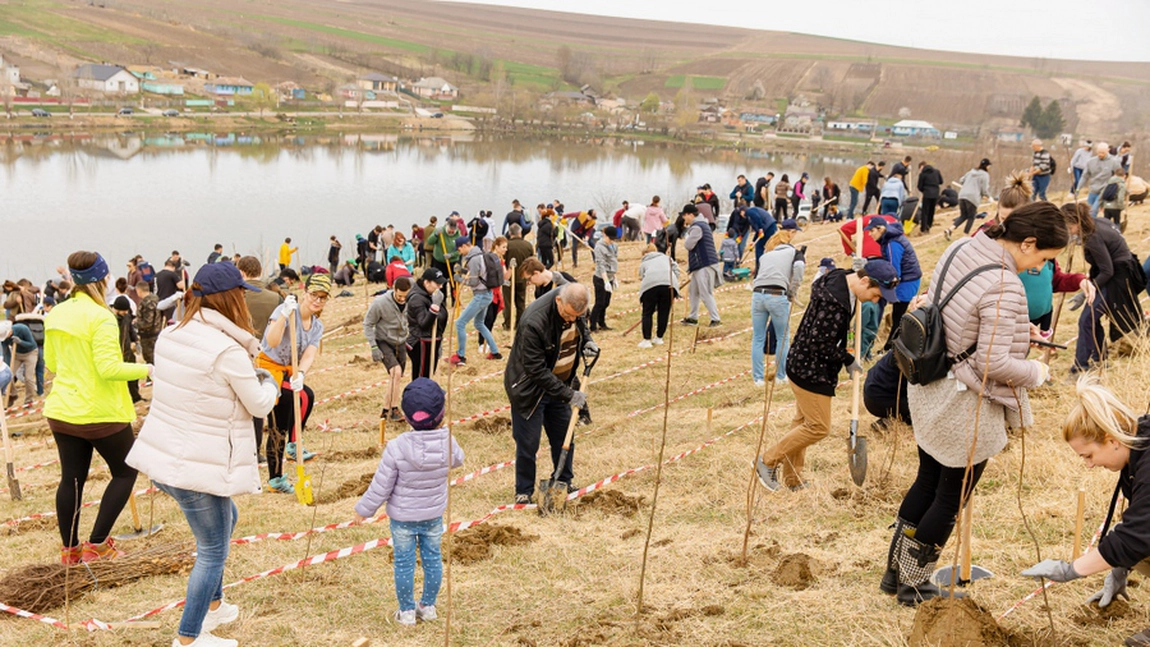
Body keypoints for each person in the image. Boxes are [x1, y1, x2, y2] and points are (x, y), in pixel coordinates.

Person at [884, 202, 1066, 607]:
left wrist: (1019, 329)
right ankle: (913, 584)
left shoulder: (963, 247)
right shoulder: (1005, 284)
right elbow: (992, 363)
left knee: (926, 480)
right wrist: (1037, 372)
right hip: (964, 405)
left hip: (930, 386)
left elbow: (953, 310)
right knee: (951, 496)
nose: (1036, 268)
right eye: (1041, 259)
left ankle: (895, 572)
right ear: (1028, 242)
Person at [126, 262, 277, 647]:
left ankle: (216, 605)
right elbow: (260, 405)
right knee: (212, 549)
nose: (245, 297)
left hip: (168, 456)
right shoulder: (226, 351)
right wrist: (270, 379)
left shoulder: (172, 334)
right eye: (241, 292)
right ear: (230, 299)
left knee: (226, 522)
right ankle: (189, 638)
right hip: (196, 465)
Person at [1019, 377, 1150, 647]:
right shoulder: (1136, 451)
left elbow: (1137, 535)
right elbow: (1139, 524)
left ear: (1112, 440)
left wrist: (1071, 570)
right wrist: (1119, 569)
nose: (1089, 466)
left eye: (1088, 456)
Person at [45, 251, 151, 564]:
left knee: (71, 479)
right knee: (126, 470)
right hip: (100, 412)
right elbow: (108, 368)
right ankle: (98, 544)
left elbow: (51, 363)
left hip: (62, 410)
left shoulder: (56, 314)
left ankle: (70, 550)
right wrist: (147, 370)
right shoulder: (102, 316)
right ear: (101, 280)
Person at [754, 259, 894, 492]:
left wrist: (857, 265)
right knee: (818, 427)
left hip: (801, 362)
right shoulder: (834, 304)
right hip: (810, 369)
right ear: (865, 280)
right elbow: (819, 343)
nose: (875, 300)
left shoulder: (839, 277)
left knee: (802, 422)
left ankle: (793, 479)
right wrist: (847, 359)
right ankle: (766, 462)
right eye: (876, 295)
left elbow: (848, 275)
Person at [354, 378, 464, 626]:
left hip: (402, 520)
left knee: (404, 564)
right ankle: (428, 606)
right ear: (442, 414)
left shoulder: (396, 447)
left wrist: (364, 510)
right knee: (433, 559)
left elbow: (381, 486)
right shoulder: (448, 442)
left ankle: (406, 612)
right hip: (433, 515)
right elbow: (458, 460)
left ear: (405, 415)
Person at [504, 282, 597, 504]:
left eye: (578, 316)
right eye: (569, 315)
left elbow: (580, 323)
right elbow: (536, 371)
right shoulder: (533, 322)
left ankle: (563, 480)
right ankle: (524, 490)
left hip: (559, 385)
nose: (572, 320)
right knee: (528, 442)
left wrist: (588, 340)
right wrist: (569, 394)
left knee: (564, 435)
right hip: (529, 389)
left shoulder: (574, 307)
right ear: (558, 302)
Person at [257, 273, 328, 493]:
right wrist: (284, 317)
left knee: (306, 395)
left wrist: (301, 374)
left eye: (322, 297)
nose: (317, 300)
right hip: (268, 367)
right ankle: (276, 477)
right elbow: (272, 340)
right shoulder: (285, 311)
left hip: (289, 370)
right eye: (313, 295)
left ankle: (293, 443)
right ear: (304, 292)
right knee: (281, 416)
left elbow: (309, 354)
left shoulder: (316, 326)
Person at [1065, 204, 1143, 375]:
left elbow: (1107, 270)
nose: (1068, 231)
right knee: (1091, 318)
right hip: (1117, 273)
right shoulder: (1097, 222)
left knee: (1087, 318)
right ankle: (1099, 358)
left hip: (1117, 279)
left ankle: (1081, 366)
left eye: (1069, 227)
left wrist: (1085, 291)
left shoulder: (1093, 237)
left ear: (1077, 222)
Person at [750, 220, 805, 386]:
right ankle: (781, 376)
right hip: (777, 294)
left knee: (758, 338)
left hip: (758, 295)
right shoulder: (795, 253)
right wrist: (793, 291)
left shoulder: (766, 255)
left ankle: (758, 379)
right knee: (782, 337)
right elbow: (800, 268)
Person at [866, 219, 922, 348]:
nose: (870, 234)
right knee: (897, 315)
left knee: (898, 317)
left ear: (881, 229)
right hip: (907, 279)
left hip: (907, 282)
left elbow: (893, 270)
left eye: (872, 230)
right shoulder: (889, 240)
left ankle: (890, 347)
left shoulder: (893, 244)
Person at [365, 276, 412, 423]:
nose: (402, 299)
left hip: (401, 342)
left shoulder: (410, 300)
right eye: (399, 296)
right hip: (383, 341)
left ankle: (386, 410)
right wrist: (373, 347)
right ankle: (394, 409)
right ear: (393, 289)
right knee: (395, 372)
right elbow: (367, 324)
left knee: (397, 377)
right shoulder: (380, 303)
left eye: (405, 296)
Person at [449, 237, 501, 365]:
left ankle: (460, 356)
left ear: (465, 246)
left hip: (481, 295)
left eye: (460, 249)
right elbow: (477, 274)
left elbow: (473, 281)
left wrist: (460, 279)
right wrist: (462, 271)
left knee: (460, 323)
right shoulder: (480, 253)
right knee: (479, 323)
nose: (460, 252)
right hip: (487, 294)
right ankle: (495, 352)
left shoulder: (473, 259)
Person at [680, 204, 723, 327]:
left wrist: (686, 236)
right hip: (700, 264)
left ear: (690, 215)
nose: (684, 219)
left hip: (704, 263)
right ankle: (693, 318)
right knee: (693, 291)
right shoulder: (703, 225)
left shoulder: (697, 227)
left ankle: (716, 319)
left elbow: (688, 245)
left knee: (705, 293)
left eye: (684, 216)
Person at [405, 268, 449, 379]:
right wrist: (434, 307)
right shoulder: (416, 299)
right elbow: (424, 324)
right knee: (421, 378)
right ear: (426, 282)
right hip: (421, 343)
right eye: (437, 284)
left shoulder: (431, 295)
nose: (440, 287)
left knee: (429, 376)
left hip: (433, 340)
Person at [637, 239, 679, 349]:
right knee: (664, 312)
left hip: (650, 286)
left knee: (647, 313)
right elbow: (676, 269)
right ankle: (659, 338)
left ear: (645, 254)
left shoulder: (644, 262)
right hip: (669, 285)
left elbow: (642, 276)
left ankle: (646, 340)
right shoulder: (667, 258)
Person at [945, 158, 993, 240]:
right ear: (987, 166)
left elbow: (961, 180)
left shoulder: (971, 172)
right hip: (972, 198)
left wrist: (969, 184)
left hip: (962, 195)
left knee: (963, 216)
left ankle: (950, 229)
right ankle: (965, 236)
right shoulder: (985, 175)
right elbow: (984, 189)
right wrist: (989, 197)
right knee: (971, 217)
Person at [863, 351, 910, 430]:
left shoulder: (903, 345)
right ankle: (891, 421)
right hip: (881, 397)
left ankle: (889, 421)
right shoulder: (914, 353)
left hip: (873, 392)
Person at [110, 296, 143, 404]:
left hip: (127, 353)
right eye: (123, 310)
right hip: (115, 354)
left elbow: (130, 330)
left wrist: (136, 340)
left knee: (133, 376)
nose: (125, 312)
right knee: (119, 380)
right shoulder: (110, 320)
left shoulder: (126, 317)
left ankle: (136, 398)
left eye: (126, 310)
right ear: (117, 309)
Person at [503, 224, 534, 332]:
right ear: (520, 233)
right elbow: (532, 263)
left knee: (508, 303)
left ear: (510, 233)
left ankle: (508, 324)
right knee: (521, 303)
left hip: (508, 279)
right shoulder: (528, 245)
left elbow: (503, 262)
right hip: (523, 278)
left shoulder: (506, 246)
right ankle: (520, 323)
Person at [0, 318, 37, 408]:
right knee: (8, 374)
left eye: (7, 334)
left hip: (30, 353)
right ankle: (13, 394)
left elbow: (32, 344)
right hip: (16, 354)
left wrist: (20, 342)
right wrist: (8, 366)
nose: (7, 336)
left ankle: (28, 401)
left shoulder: (22, 328)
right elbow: (6, 353)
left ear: (10, 330)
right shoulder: (3, 339)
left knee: (28, 378)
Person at [1082, 142, 1124, 216]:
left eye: (1102, 153)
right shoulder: (1091, 162)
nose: (1100, 154)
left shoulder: (1114, 162)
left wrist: (1121, 186)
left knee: (1094, 210)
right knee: (1088, 210)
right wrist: (1078, 188)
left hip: (1105, 190)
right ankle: (1088, 224)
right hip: (1093, 189)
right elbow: (1084, 176)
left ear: (1108, 151)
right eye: (1099, 152)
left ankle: (1091, 225)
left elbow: (1119, 175)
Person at [425, 218, 461, 305]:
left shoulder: (458, 234)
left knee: (455, 281)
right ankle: (442, 301)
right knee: (441, 282)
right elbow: (430, 241)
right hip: (439, 262)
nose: (451, 232)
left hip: (453, 262)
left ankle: (455, 300)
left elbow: (460, 250)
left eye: (453, 231)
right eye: (450, 231)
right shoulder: (440, 231)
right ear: (446, 227)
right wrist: (436, 235)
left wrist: (452, 255)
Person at [590, 227, 619, 332]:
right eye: (610, 238)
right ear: (604, 235)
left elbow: (613, 262)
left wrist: (614, 278)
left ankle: (602, 323)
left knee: (606, 302)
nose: (611, 241)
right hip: (600, 278)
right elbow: (600, 264)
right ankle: (593, 325)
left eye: (613, 239)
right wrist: (606, 281)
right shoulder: (599, 247)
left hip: (610, 277)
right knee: (599, 303)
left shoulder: (614, 246)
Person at [916, 161, 943, 234]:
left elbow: (919, 186)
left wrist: (924, 190)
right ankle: (929, 226)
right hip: (935, 194)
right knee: (931, 211)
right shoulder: (937, 172)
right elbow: (941, 181)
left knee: (925, 211)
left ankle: (923, 228)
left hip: (927, 194)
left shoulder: (922, 174)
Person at [155, 258, 185, 323]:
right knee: (170, 322)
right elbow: (181, 286)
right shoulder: (172, 274)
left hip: (158, 301)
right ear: (173, 267)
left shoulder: (156, 275)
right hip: (169, 302)